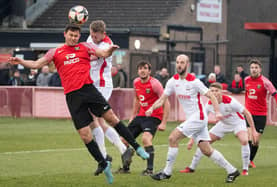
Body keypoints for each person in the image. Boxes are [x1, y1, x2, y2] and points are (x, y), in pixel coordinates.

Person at [8, 24, 149, 184]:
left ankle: (137, 147)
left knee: (110, 118)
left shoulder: (85, 47)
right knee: (84, 135)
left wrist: (110, 51)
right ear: (65, 34)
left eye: (76, 36)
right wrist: (20, 60)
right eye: (71, 35)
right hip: (72, 97)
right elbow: (36, 64)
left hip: (89, 90)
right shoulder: (55, 52)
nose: (74, 38)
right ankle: (104, 164)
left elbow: (102, 53)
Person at [146, 54, 240, 183]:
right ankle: (232, 170)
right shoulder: (172, 81)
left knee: (173, 138)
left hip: (199, 118)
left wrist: (217, 112)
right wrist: (152, 108)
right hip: (194, 119)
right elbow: (162, 99)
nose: (179, 64)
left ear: (187, 65)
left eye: (182, 62)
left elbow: (212, 96)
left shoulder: (195, 82)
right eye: (178, 62)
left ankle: (166, 172)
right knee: (206, 149)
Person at [86, 20, 134, 174]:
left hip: (103, 85)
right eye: (92, 35)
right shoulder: (90, 39)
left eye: (96, 35)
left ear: (102, 33)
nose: (93, 38)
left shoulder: (107, 44)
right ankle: (122, 150)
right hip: (93, 84)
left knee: (94, 119)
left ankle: (104, 156)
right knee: (98, 121)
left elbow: (92, 57)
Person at [180, 82, 258, 176]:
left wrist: (253, 130)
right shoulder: (209, 104)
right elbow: (200, 121)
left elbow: (247, 113)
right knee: (203, 142)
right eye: (212, 91)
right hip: (223, 124)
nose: (214, 93)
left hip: (237, 122)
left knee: (244, 140)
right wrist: (192, 140)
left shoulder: (230, 101)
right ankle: (192, 167)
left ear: (221, 92)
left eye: (216, 91)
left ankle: (245, 170)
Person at [117, 60, 170, 175]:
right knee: (123, 140)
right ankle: (125, 169)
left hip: (154, 116)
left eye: (145, 68)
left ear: (149, 71)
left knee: (146, 139)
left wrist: (164, 122)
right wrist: (133, 115)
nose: (142, 70)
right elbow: (137, 98)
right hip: (141, 115)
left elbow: (166, 102)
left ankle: (149, 170)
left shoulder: (155, 84)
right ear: (138, 71)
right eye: (140, 68)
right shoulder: (136, 82)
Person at [245, 58, 277, 168]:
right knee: (249, 137)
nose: (254, 70)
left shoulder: (265, 82)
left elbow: (275, 94)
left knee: (255, 141)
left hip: (260, 115)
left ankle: (250, 160)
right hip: (249, 113)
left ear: (260, 69)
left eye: (256, 68)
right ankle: (247, 162)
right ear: (250, 69)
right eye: (252, 68)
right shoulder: (246, 80)